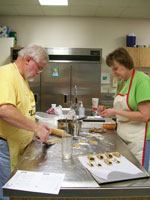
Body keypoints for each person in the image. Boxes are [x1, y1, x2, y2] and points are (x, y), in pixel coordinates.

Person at [0, 43, 51, 200]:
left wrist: (35, 124)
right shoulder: (6, 74)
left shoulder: (22, 79)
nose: (39, 72)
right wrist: (36, 128)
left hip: (18, 147)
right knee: (6, 192)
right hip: (6, 148)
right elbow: (5, 110)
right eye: (39, 68)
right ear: (28, 59)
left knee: (14, 190)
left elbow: (22, 112)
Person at [98, 47, 150, 172]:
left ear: (126, 64)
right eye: (112, 69)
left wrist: (115, 111)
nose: (113, 72)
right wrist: (107, 110)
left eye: (116, 68)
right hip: (124, 136)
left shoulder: (141, 80)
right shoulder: (122, 83)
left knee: (139, 175)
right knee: (126, 173)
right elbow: (122, 111)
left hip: (139, 138)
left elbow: (145, 116)